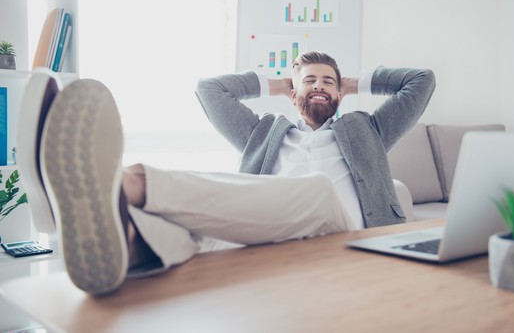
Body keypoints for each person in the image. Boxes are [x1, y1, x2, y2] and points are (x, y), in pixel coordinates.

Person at [25, 51, 435, 296]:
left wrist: (348, 80)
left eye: (328, 82)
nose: (319, 86)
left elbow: (420, 81)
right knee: (198, 236)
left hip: (340, 235)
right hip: (264, 236)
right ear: (291, 93)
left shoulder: (369, 129)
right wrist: (282, 83)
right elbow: (210, 89)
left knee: (314, 191)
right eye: (309, 81)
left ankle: (124, 183)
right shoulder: (264, 133)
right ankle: (127, 240)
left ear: (341, 92)